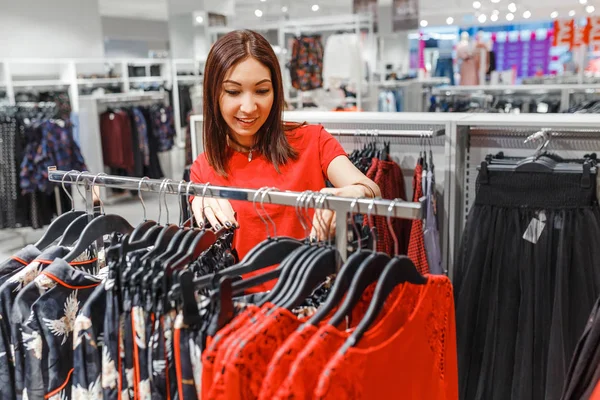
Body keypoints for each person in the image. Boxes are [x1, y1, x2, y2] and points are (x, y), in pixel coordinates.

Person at [190, 30, 381, 272]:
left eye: (261, 91)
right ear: (213, 94)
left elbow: (371, 189)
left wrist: (349, 195)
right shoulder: (203, 167)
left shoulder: (312, 140)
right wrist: (200, 195)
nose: (248, 107)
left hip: (310, 300)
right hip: (240, 304)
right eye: (233, 91)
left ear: (276, 91)